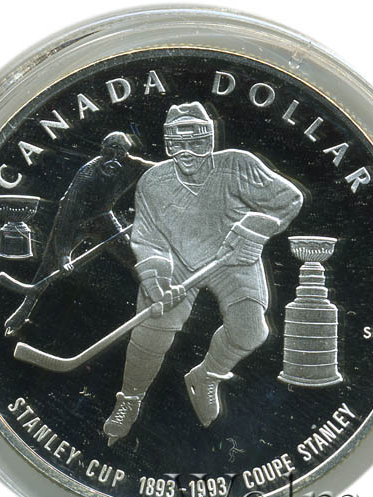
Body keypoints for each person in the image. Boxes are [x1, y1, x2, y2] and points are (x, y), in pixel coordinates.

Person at [103, 102, 304, 446]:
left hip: (232, 257)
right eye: (177, 144)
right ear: (167, 144)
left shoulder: (237, 165)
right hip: (177, 262)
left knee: (252, 331)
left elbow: (289, 199)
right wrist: (156, 279)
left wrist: (257, 229)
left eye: (196, 143)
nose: (187, 153)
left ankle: (207, 374)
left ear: (209, 140)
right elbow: (147, 238)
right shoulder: (152, 182)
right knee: (151, 333)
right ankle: (131, 399)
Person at [4, 132, 154, 336]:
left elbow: (159, 170)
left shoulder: (131, 164)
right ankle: (23, 311)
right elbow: (66, 217)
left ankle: (156, 295)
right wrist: (64, 254)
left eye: (119, 153)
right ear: (102, 150)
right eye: (109, 152)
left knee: (132, 258)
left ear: (125, 154)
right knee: (48, 267)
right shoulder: (87, 174)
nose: (113, 158)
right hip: (74, 221)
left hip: (102, 218)